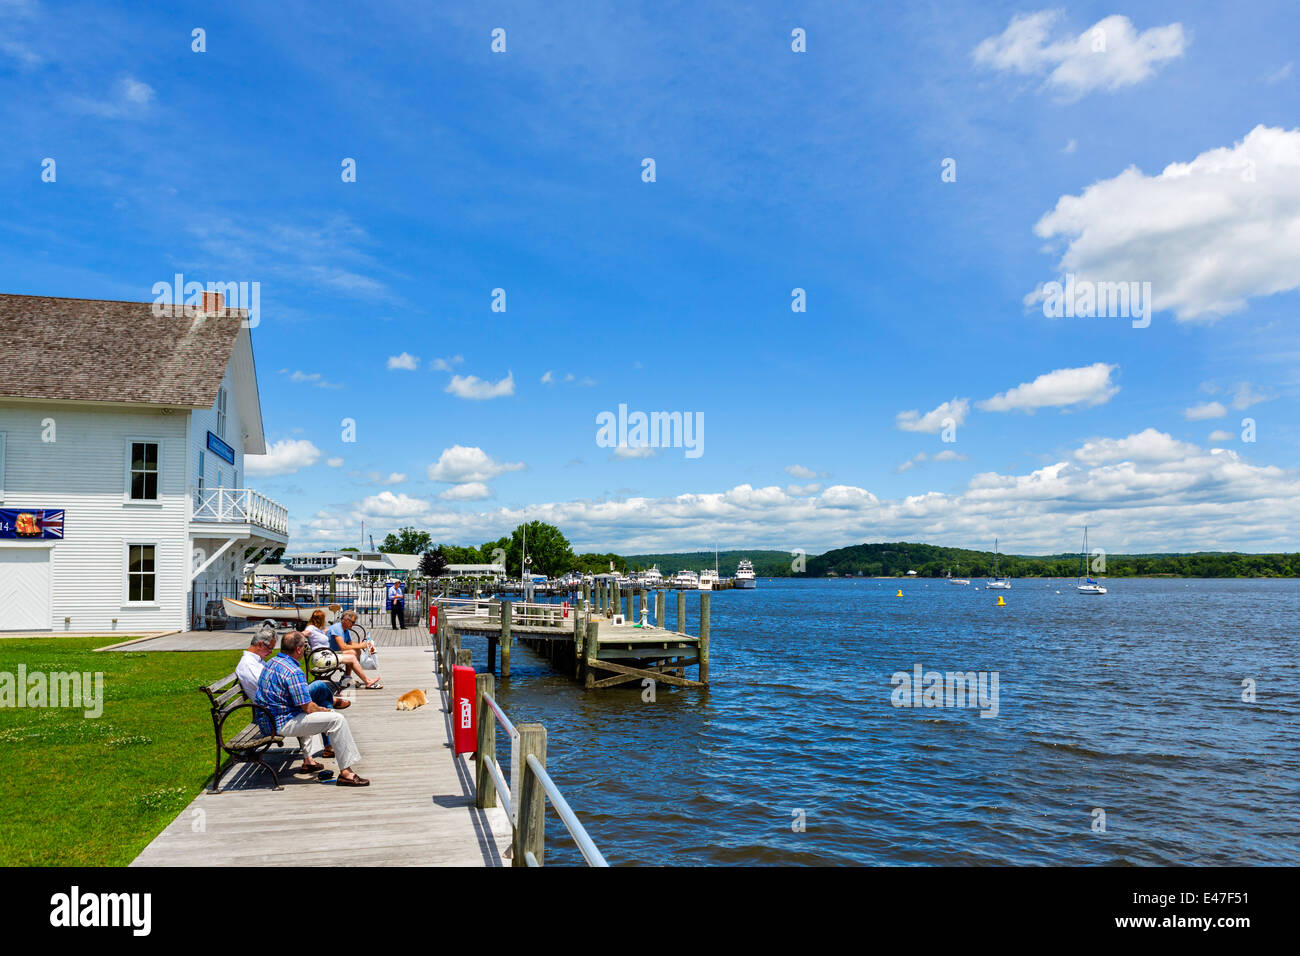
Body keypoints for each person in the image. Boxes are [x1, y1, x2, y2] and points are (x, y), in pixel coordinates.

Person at [257, 631, 370, 787]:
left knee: (319, 699)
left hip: (267, 719)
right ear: (298, 649)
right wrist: (325, 711)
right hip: (280, 723)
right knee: (337, 720)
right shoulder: (293, 672)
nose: (305, 649)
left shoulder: (272, 662)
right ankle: (346, 773)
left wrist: (319, 709)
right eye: (305, 646)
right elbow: (308, 707)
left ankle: (310, 759)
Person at [236, 628, 350, 773]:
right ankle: (337, 758)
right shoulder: (250, 665)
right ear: (260, 644)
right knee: (320, 690)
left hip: (274, 711)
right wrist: (318, 708)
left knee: (317, 699)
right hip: (273, 715)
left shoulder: (265, 661)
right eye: (269, 648)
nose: (271, 652)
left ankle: (317, 753)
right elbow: (268, 689)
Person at [305, 608, 381, 689]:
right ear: (345, 620)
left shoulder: (344, 629)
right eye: (353, 622)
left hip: (329, 654)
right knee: (352, 655)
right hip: (328, 654)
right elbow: (343, 647)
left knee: (355, 652)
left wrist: (365, 645)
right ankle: (366, 681)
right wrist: (361, 646)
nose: (353, 624)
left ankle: (347, 677)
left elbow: (350, 643)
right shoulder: (337, 628)